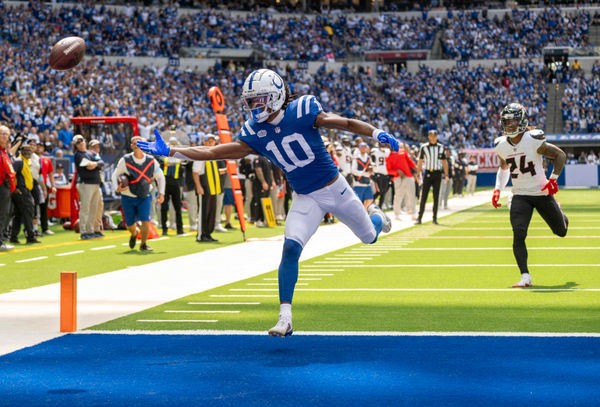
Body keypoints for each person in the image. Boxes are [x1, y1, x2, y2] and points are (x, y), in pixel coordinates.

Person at [137, 68, 398, 337]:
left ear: (274, 97)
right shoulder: (254, 130)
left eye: (257, 100)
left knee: (369, 237)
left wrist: (376, 132)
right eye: (249, 101)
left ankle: (377, 216)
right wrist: (172, 151)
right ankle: (285, 317)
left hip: (335, 189)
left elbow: (345, 123)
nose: (252, 106)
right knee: (290, 248)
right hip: (305, 197)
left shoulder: (303, 109)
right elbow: (213, 152)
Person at [492, 103, 568, 288]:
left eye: (514, 121)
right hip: (520, 195)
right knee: (518, 234)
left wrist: (553, 179)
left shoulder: (533, 139)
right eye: (507, 121)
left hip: (541, 193)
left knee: (561, 232)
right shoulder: (501, 144)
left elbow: (560, 155)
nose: (510, 125)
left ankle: (561, 214)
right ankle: (525, 276)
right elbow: (504, 168)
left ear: (523, 121)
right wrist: (497, 189)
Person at [112, 136, 165, 251]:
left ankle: (143, 244)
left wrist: (161, 193)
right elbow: (115, 175)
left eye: (139, 143)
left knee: (146, 220)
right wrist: (117, 188)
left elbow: (160, 177)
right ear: (131, 146)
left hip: (144, 195)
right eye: (134, 143)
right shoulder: (125, 160)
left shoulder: (151, 161)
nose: (137, 145)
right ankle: (134, 233)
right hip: (128, 196)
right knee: (130, 225)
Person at [73, 135, 104, 240]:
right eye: (78, 142)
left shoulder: (92, 153)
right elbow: (86, 165)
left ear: (85, 141)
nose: (80, 143)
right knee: (85, 208)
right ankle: (83, 231)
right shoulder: (78, 155)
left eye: (81, 141)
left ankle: (90, 230)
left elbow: (101, 163)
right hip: (86, 183)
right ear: (76, 145)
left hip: (96, 182)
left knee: (94, 208)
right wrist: (96, 164)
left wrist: (94, 164)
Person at [415, 130, 449, 225]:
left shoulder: (441, 147)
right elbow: (420, 161)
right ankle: (419, 218)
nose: (433, 137)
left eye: (434, 136)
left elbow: (444, 162)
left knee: (436, 196)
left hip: (437, 173)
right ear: (428, 137)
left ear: (437, 137)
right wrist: (418, 173)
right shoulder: (424, 147)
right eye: (431, 136)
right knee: (423, 196)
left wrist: (446, 175)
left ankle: (434, 218)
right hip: (428, 173)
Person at [10, 144, 40, 244]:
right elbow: (12, 175)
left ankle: (13, 237)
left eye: (30, 149)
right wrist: (15, 188)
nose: (28, 151)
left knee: (18, 214)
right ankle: (30, 237)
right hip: (22, 191)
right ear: (21, 151)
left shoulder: (27, 161)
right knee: (28, 213)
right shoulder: (19, 161)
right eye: (25, 149)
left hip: (24, 191)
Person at [386, 142, 417, 219]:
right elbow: (389, 170)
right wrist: (397, 172)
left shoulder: (402, 151)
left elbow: (410, 161)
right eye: (389, 145)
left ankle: (413, 213)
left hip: (408, 175)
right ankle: (397, 214)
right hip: (398, 178)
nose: (391, 146)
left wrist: (416, 168)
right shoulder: (389, 157)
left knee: (411, 194)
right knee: (398, 196)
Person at [0, 125, 17, 250]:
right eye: (2, 133)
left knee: (4, 214)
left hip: (6, 187)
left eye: (6, 134)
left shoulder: (4, 151)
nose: (4, 136)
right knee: (1, 215)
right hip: (1, 185)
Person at [352, 142, 374, 208]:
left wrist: (372, 170)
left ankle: (364, 212)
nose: (363, 148)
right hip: (358, 183)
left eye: (365, 147)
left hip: (367, 182)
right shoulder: (356, 158)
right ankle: (357, 215)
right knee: (358, 201)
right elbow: (353, 171)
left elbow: (373, 168)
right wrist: (363, 173)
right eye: (362, 147)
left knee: (370, 199)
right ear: (359, 148)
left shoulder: (369, 158)